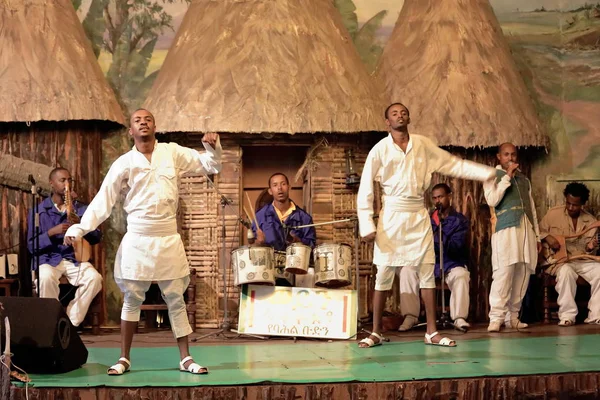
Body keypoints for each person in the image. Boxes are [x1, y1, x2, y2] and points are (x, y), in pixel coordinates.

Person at [64, 108, 222, 375]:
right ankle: (124, 358)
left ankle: (186, 358)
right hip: (138, 238)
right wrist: (80, 228)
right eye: (137, 120)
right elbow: (104, 200)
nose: (143, 123)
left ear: (155, 126)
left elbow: (210, 164)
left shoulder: (172, 152)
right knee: (132, 299)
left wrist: (212, 147)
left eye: (147, 119)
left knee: (176, 299)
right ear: (131, 131)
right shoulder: (124, 162)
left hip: (168, 237)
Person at [357, 103, 496, 348]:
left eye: (403, 112)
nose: (399, 115)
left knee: (426, 272)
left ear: (409, 117)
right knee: (384, 274)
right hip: (392, 217)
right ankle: (376, 331)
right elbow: (366, 187)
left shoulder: (422, 145)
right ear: (387, 122)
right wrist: (366, 222)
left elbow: (453, 164)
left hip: (418, 216)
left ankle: (432, 332)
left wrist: (485, 173)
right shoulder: (379, 150)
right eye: (394, 113)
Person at [27, 167, 103, 328]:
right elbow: (31, 245)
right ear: (52, 184)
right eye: (63, 180)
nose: (67, 184)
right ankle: (51, 324)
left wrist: (80, 226)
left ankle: (69, 322)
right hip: (48, 259)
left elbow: (96, 236)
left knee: (94, 278)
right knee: (45, 277)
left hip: (73, 259)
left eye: (69, 180)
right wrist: (51, 233)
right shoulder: (39, 211)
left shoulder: (81, 209)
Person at [483, 142, 541, 332]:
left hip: (526, 230)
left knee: (523, 272)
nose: (510, 158)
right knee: (503, 273)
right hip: (505, 231)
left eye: (513, 154)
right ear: (499, 157)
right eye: (506, 154)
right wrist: (507, 177)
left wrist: (538, 236)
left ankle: (513, 317)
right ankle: (496, 318)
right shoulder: (492, 176)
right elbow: (492, 200)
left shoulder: (524, 180)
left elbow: (531, 208)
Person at [539, 182, 600, 326]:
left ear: (582, 204)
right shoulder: (553, 214)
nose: (571, 207)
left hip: (581, 260)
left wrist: (591, 247)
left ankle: (596, 315)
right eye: (568, 203)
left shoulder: (590, 221)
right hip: (558, 261)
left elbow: (588, 249)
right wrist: (548, 237)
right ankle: (567, 316)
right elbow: (537, 231)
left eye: (575, 205)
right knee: (566, 271)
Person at [430, 183, 472, 331]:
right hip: (430, 264)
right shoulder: (427, 220)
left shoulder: (459, 220)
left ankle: (459, 318)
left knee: (461, 275)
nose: (437, 201)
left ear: (449, 197)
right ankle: (410, 317)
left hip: (451, 263)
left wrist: (441, 235)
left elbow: (456, 247)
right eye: (434, 198)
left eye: (440, 197)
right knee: (407, 272)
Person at [250, 173, 316, 250]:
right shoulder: (260, 217)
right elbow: (252, 248)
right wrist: (258, 243)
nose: (279, 188)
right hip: (269, 261)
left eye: (283, 184)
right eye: (275, 185)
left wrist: (299, 242)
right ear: (270, 191)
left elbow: (312, 246)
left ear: (289, 187)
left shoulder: (304, 218)